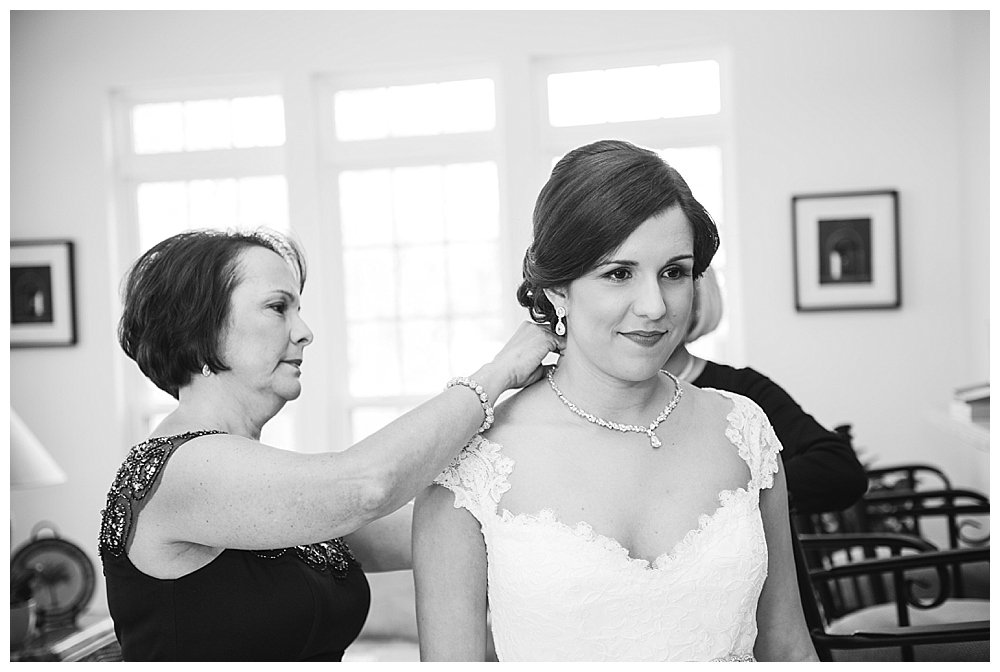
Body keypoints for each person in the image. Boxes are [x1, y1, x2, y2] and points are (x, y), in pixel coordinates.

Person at [412, 140, 819, 662]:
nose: (654, 306)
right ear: (557, 287)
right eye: (618, 273)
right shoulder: (471, 462)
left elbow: (788, 646)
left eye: (674, 272)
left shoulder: (743, 429)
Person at [98, 228, 562, 661]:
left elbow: (441, 520)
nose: (304, 331)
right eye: (278, 307)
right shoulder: (181, 469)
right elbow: (368, 485)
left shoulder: (258, 479)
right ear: (200, 329)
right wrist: (497, 374)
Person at [663, 267, 868, 516]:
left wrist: (736, 496)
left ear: (697, 301)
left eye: (673, 276)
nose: (651, 307)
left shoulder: (742, 391)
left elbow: (840, 471)